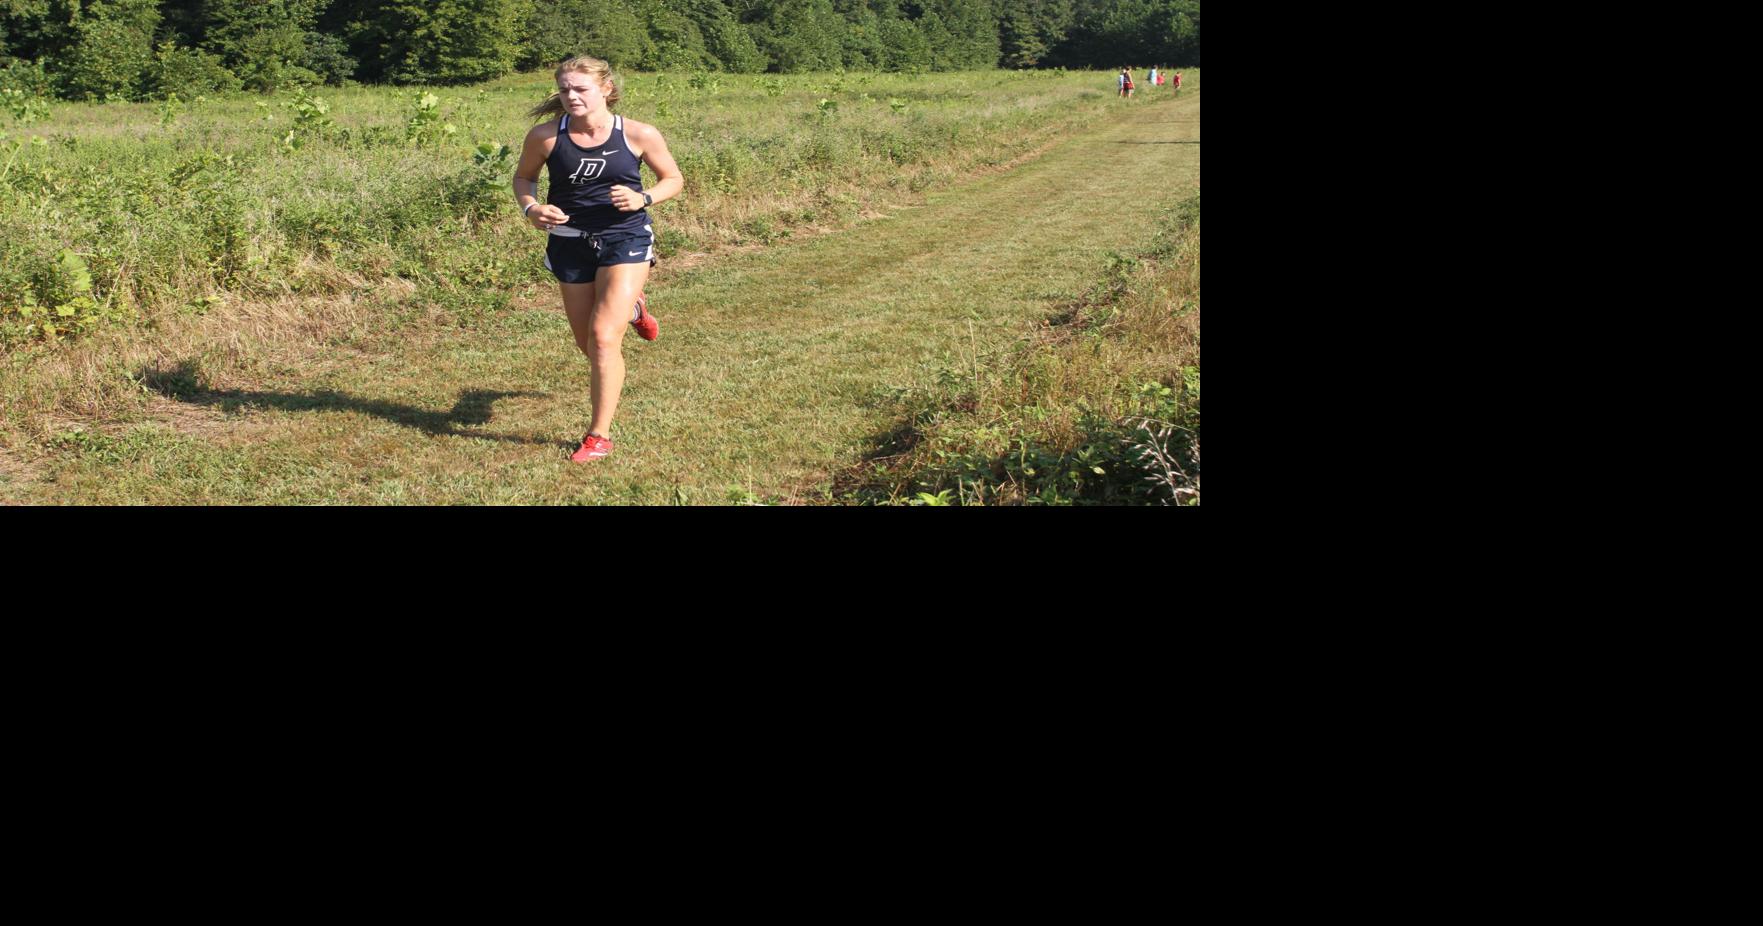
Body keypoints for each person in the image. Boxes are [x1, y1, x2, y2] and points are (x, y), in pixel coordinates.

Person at [513, 55, 684, 463]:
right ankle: (633, 307)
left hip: (624, 237)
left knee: (605, 339)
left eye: (581, 88)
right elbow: (524, 179)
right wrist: (532, 209)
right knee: (588, 344)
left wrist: (643, 197)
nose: (571, 96)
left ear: (606, 89)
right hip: (569, 242)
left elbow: (673, 179)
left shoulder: (639, 134)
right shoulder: (545, 137)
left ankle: (598, 436)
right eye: (565, 89)